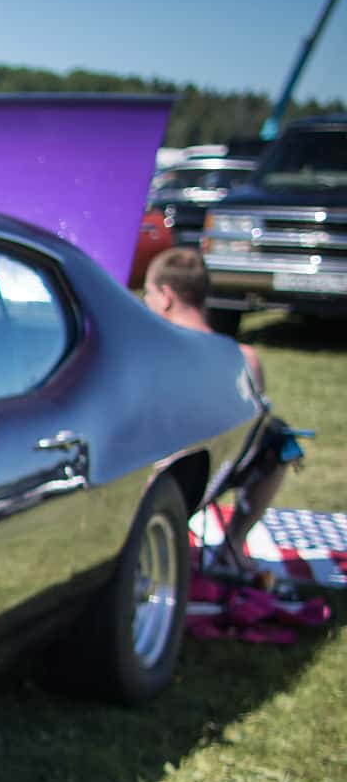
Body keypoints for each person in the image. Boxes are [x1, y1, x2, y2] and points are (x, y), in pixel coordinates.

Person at [142, 247, 298, 578]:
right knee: (280, 438)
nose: (146, 302)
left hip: (161, 482)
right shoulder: (245, 359)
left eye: (149, 293)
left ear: (166, 296)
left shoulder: (154, 356)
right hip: (220, 473)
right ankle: (233, 543)